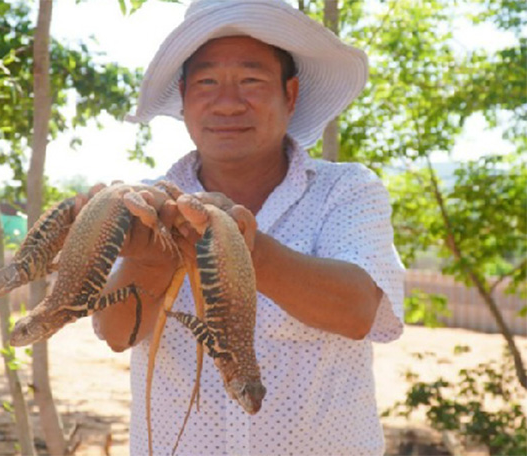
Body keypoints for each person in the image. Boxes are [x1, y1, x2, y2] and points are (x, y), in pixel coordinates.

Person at [91, 0, 406, 454]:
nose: (227, 102)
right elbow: (118, 333)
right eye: (206, 82)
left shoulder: (346, 190)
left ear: (290, 94)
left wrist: (244, 249)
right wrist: (152, 256)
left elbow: (358, 311)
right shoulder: (145, 205)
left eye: (252, 80)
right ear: (183, 96)